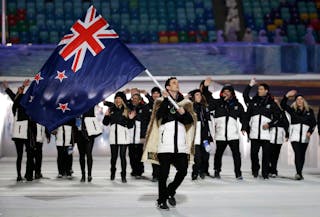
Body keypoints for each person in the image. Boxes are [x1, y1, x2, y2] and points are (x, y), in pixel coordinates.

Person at [142, 77, 196, 210]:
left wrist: (183, 113)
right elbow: (159, 116)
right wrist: (166, 100)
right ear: (167, 87)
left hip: (180, 145)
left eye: (177, 82)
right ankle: (161, 200)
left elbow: (190, 120)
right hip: (165, 144)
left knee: (183, 171)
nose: (176, 84)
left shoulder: (185, 102)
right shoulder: (161, 101)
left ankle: (170, 191)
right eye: (173, 83)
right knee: (163, 174)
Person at [203, 78, 246, 180]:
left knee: (236, 155)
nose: (226, 93)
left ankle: (238, 173)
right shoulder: (217, 103)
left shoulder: (237, 105)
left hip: (233, 135)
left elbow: (244, 117)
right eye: (224, 91)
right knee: (218, 155)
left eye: (228, 91)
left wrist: (244, 127)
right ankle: (217, 171)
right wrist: (205, 87)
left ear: (232, 93)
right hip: (220, 135)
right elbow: (208, 97)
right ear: (222, 93)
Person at [243, 78, 280, 179]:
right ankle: (255, 170)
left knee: (266, 155)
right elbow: (245, 96)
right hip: (254, 134)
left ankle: (265, 173)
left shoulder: (272, 103)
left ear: (266, 90)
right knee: (254, 154)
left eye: (261, 89)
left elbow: (278, 117)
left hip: (266, 135)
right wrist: (250, 85)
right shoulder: (253, 101)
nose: (259, 90)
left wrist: (270, 124)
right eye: (258, 89)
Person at [281, 90, 316, 180]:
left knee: (302, 154)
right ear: (295, 101)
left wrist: (310, 132)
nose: (299, 101)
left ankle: (299, 172)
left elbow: (313, 123)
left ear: (304, 101)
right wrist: (287, 96)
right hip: (295, 136)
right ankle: (298, 173)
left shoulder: (309, 111)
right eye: (297, 99)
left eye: (301, 99)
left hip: (305, 136)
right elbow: (283, 105)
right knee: (297, 153)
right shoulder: (292, 110)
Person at [103, 92, 135, 183]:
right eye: (116, 98)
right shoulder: (111, 109)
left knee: (122, 156)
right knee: (113, 157)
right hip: (113, 135)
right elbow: (105, 123)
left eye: (120, 98)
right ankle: (112, 172)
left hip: (123, 135)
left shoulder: (127, 110)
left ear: (123, 100)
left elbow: (130, 126)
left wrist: (131, 119)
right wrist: (106, 115)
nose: (118, 100)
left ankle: (123, 175)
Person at [2, 80, 29, 181]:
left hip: (26, 129)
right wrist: (21, 87)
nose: (20, 91)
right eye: (19, 90)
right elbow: (14, 97)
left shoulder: (25, 103)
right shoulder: (16, 103)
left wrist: (23, 87)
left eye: (20, 90)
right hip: (18, 130)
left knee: (29, 154)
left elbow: (19, 96)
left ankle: (28, 173)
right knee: (20, 155)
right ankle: (19, 175)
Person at [188, 89, 212, 180]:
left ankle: (202, 171)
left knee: (205, 156)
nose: (199, 96)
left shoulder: (205, 107)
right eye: (197, 95)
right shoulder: (190, 107)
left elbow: (208, 122)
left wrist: (210, 135)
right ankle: (195, 173)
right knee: (197, 158)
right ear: (193, 96)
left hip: (205, 136)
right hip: (195, 137)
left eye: (200, 95)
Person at [75, 107, 102, 182]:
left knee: (89, 153)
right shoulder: (76, 107)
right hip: (79, 134)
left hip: (89, 133)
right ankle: (83, 175)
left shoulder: (90, 105)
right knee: (81, 155)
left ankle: (89, 174)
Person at [142, 87, 162, 182]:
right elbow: (144, 121)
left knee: (163, 154)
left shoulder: (164, 105)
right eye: (154, 93)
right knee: (153, 153)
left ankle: (162, 173)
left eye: (157, 93)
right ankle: (155, 174)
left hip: (163, 133)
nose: (156, 95)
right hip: (151, 133)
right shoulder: (147, 107)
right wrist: (143, 135)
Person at [128, 93, 149, 178]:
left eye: (136, 98)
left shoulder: (144, 108)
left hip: (140, 135)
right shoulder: (129, 107)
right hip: (130, 134)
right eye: (133, 98)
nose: (134, 100)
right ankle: (134, 170)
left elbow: (145, 121)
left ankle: (139, 170)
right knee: (131, 154)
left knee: (139, 154)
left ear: (140, 100)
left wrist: (143, 135)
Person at [269, 98, 289, 178]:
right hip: (270, 135)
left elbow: (286, 123)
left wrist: (287, 134)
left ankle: (273, 170)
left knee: (275, 155)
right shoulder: (269, 111)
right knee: (269, 154)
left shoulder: (282, 113)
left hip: (279, 136)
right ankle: (270, 169)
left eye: (277, 102)